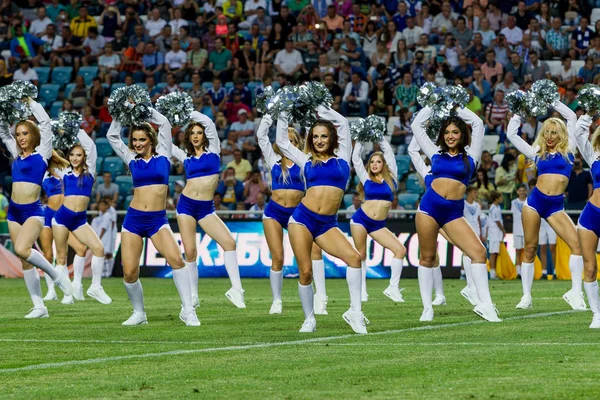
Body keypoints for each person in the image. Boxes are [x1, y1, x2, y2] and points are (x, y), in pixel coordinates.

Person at [276, 106, 367, 334]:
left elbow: (344, 123)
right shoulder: (305, 159)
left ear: (332, 138)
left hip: (327, 224)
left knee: (355, 259)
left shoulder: (343, 157)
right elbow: (282, 142)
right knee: (305, 271)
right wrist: (282, 110)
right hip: (302, 219)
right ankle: (309, 318)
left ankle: (355, 312)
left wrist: (320, 109)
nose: (319, 140)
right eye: (315, 136)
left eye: (324, 136)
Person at [107, 108, 199, 326]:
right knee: (129, 272)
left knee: (177, 260)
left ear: (151, 140)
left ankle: (188, 310)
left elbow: (165, 123)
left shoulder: (164, 155)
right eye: (135, 140)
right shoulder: (131, 159)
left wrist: (141, 108)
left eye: (142, 139)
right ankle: (139, 313)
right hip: (134, 220)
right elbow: (112, 135)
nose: (138, 144)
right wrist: (122, 113)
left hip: (157, 220)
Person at [411, 104, 500, 322]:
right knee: (428, 257)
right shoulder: (435, 153)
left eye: (455, 132)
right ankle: (426, 308)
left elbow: (478, 123)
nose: (451, 136)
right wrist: (434, 106)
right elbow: (416, 125)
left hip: (453, 213)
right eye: (447, 132)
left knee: (478, 253)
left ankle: (486, 305)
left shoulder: (471, 156)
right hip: (428, 209)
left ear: (462, 135)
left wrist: (456, 107)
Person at [506, 101, 585, 310]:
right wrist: (519, 113)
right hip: (534, 203)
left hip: (555, 207)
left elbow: (572, 118)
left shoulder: (570, 150)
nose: (550, 136)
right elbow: (511, 135)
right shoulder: (536, 152)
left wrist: (552, 101)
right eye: (547, 132)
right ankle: (526, 297)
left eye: (554, 133)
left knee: (577, 245)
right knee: (530, 249)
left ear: (561, 134)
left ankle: (576, 293)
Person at [0, 99, 73, 318]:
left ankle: (56, 275)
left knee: (23, 249)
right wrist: (4, 108)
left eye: (25, 133)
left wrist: (30, 102)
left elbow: (46, 122)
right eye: (19, 134)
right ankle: (40, 307)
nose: (21, 138)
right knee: (24, 259)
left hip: (32, 211)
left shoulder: (42, 153)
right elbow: (4, 132)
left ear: (32, 134)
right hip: (13, 212)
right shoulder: (15, 152)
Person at [171, 111, 246, 309]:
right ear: (189, 137)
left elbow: (209, 122)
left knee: (229, 243)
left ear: (204, 135)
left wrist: (186, 110)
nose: (196, 136)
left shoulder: (214, 150)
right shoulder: (184, 155)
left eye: (199, 132)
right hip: (186, 205)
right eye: (192, 133)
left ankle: (237, 290)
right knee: (190, 252)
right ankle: (193, 296)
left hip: (206, 208)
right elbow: (163, 142)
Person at [51, 130, 111, 304]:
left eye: (79, 155)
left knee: (98, 249)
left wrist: (74, 128)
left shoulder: (90, 172)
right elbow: (49, 155)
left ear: (84, 157)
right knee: (61, 259)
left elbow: (91, 146)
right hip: (61, 219)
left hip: (79, 221)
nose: (75, 158)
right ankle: (68, 294)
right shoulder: (65, 172)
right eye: (72, 155)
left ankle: (95, 287)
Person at [257, 115, 305, 313]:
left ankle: (319, 297)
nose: (288, 145)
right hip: (274, 213)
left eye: (292, 141)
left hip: (298, 214)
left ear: (297, 144)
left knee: (305, 258)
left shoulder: (304, 162)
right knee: (277, 258)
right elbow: (261, 136)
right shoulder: (274, 160)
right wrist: (270, 115)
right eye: (286, 141)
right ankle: (276, 300)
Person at [351, 138, 406, 303]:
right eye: (372, 162)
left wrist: (380, 138)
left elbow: (389, 153)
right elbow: (355, 159)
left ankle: (393, 288)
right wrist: (361, 139)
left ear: (384, 164)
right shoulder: (366, 178)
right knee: (361, 255)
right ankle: (362, 292)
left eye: (378, 161)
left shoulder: (392, 179)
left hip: (378, 225)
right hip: (360, 220)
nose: (374, 164)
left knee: (400, 250)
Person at [573, 114, 600, 328]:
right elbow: (579, 133)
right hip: (591, 216)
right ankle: (597, 314)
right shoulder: (594, 156)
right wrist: (590, 111)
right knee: (590, 267)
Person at [486, 190, 505, 280]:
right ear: (496, 198)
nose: (502, 198)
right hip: (494, 233)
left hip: (496, 233)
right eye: (500, 197)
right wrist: (503, 230)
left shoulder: (497, 207)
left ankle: (494, 271)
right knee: (493, 253)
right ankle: (492, 273)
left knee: (496, 253)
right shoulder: (493, 208)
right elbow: (497, 221)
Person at [511, 184, 528, 277]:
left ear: (526, 191)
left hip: (527, 230)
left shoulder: (528, 201)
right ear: (517, 192)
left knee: (527, 251)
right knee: (518, 251)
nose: (522, 192)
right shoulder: (514, 202)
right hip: (517, 230)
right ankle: (518, 272)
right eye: (520, 190)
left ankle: (526, 271)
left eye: (523, 190)